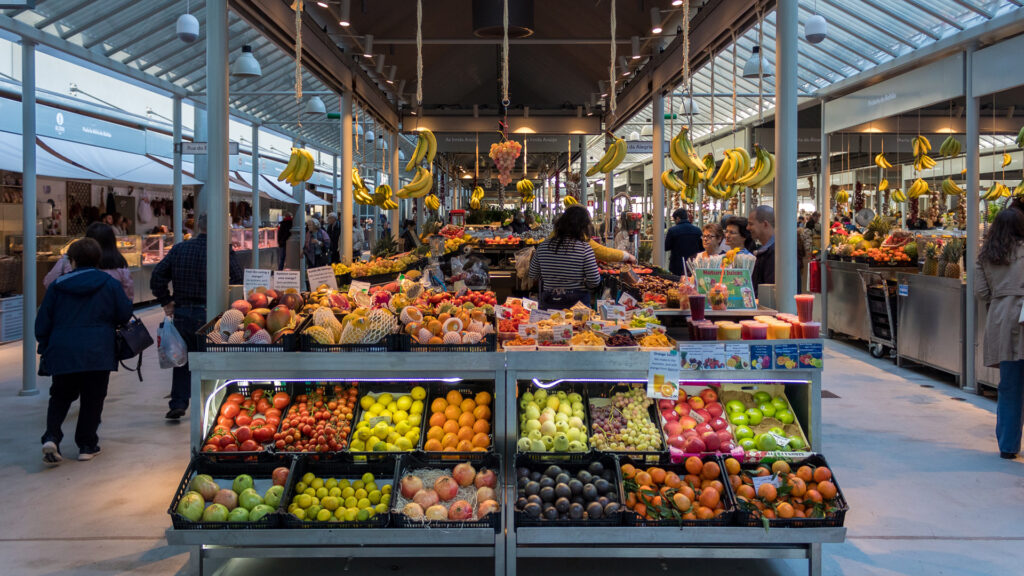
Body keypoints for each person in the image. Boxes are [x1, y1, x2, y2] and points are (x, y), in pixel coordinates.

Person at [36, 237, 133, 465]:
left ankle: (51, 437)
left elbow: (42, 323)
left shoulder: (58, 286)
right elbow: (124, 314)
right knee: (93, 397)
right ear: (98, 259)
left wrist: (45, 343)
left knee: (60, 395)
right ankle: (87, 445)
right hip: (98, 349)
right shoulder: (108, 284)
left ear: (72, 260)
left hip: (64, 348)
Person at [151, 214, 243, 420]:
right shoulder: (222, 251)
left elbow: (157, 276)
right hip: (211, 313)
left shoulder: (179, 249)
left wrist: (167, 301)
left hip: (183, 313)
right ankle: (213, 401)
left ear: (198, 228)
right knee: (212, 358)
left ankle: (179, 402)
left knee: (183, 358)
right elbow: (238, 279)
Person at [975, 208, 1024, 459]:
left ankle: (1008, 446)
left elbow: (981, 292)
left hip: (1002, 320)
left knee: (1010, 386)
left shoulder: (985, 256)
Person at [528, 205, 602, 310]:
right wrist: (584, 284)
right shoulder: (585, 248)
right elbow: (594, 281)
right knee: (578, 326)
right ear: (583, 227)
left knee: (548, 326)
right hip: (578, 306)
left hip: (550, 302)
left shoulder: (543, 246)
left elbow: (533, 274)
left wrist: (550, 279)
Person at [44, 222, 134, 300]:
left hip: (74, 314)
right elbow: (128, 296)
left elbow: (48, 282)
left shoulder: (70, 260)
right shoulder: (119, 266)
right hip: (107, 317)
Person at [664, 208, 702, 276]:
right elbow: (702, 248)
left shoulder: (672, 230)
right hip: (693, 264)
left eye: (674, 220)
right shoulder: (697, 230)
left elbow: (666, 247)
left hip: (677, 265)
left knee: (677, 284)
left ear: (678, 218)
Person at [749, 205, 776, 289]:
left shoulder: (775, 253)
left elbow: (770, 291)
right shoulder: (767, 251)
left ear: (765, 224)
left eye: (751, 224)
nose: (747, 227)